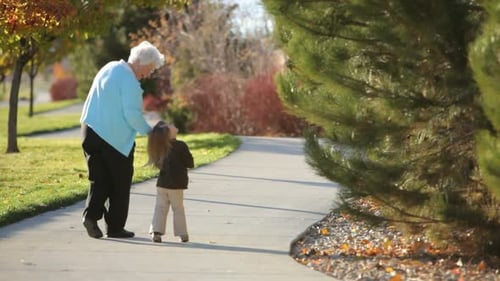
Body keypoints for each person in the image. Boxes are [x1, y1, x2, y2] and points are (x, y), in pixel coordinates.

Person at [80, 41, 165, 239]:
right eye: (150, 68)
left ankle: (91, 216)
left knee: (99, 179)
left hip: (90, 130)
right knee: (119, 184)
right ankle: (116, 228)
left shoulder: (109, 68)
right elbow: (132, 115)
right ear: (142, 62)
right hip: (115, 140)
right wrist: (150, 132)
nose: (149, 73)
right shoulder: (130, 82)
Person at [147, 121, 194, 243]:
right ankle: (182, 233)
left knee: (160, 208)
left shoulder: (160, 148)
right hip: (177, 184)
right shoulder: (181, 146)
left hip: (162, 183)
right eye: (170, 125)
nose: (173, 124)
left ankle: (156, 232)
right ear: (168, 132)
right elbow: (190, 163)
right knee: (178, 208)